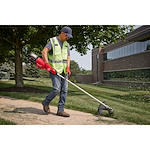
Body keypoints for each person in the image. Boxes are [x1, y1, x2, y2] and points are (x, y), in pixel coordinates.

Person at [41, 26, 73, 117]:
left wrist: (68, 68)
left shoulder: (67, 45)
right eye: (67, 36)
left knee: (64, 91)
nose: (67, 38)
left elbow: (68, 57)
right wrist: (47, 64)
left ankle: (61, 110)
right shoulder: (53, 41)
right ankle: (46, 102)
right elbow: (44, 52)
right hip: (54, 70)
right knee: (56, 89)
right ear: (62, 33)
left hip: (64, 71)